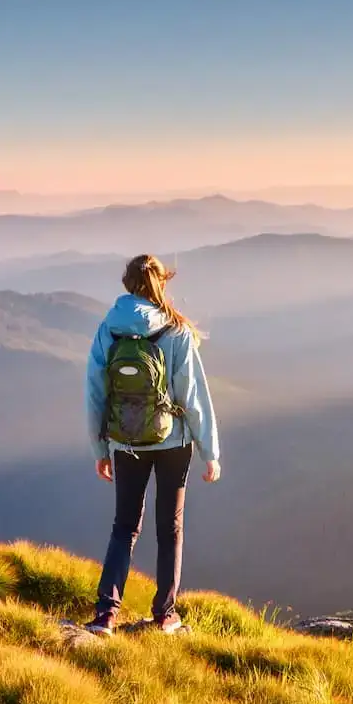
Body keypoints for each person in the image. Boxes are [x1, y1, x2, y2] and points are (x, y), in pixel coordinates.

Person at [84, 254, 221, 637]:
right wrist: (211, 452)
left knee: (124, 527)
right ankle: (165, 615)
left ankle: (105, 615)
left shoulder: (107, 331)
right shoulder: (176, 332)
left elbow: (95, 393)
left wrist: (100, 449)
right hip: (173, 442)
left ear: (127, 284)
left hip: (125, 443)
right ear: (162, 283)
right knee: (169, 529)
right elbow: (193, 397)